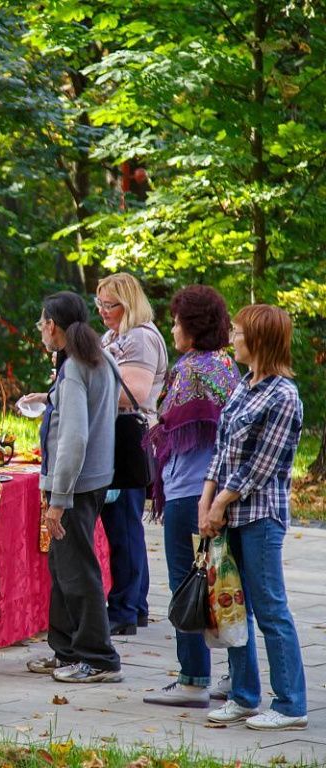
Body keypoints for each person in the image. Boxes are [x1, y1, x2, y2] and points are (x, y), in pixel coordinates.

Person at [201, 304, 307, 731]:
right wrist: (206, 499)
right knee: (233, 606)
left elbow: (261, 467)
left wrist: (220, 504)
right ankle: (243, 696)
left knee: (269, 609)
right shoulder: (245, 386)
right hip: (227, 513)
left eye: (238, 332)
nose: (232, 338)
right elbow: (222, 449)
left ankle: (291, 704)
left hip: (260, 517)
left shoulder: (283, 396)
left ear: (259, 339)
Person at [142, 285, 239, 708]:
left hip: (189, 492)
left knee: (187, 583)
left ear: (193, 326)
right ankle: (237, 676)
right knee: (225, 584)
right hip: (219, 491)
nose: (172, 328)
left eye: (177, 321)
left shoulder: (191, 371)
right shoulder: (226, 364)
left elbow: (170, 423)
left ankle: (193, 679)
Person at [25, 291, 121, 684]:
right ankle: (65, 650)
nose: (41, 330)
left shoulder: (76, 367)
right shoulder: (98, 358)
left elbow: (75, 436)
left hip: (77, 486)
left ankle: (98, 657)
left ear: (52, 326)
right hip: (92, 478)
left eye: (41, 323)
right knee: (63, 566)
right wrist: (51, 397)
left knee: (77, 569)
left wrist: (59, 499)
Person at [95, 272, 168, 635]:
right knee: (124, 525)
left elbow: (133, 393)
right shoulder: (116, 336)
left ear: (129, 303)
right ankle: (134, 604)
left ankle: (124, 608)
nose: (103, 311)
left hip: (129, 435)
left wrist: (88, 389)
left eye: (110, 304)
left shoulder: (139, 337)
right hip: (119, 433)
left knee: (124, 525)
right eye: (99, 303)